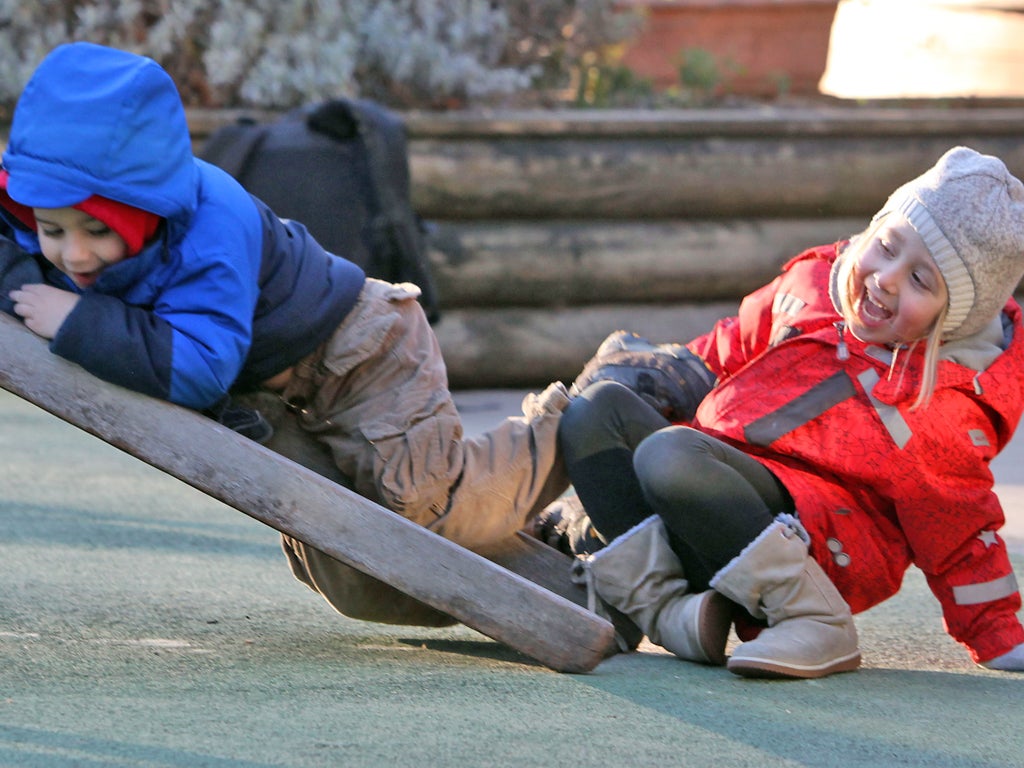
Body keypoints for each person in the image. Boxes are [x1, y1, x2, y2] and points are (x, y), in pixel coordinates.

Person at [0, 42, 569, 626]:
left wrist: (78, 320)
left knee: (427, 513)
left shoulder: (209, 230)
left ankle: (578, 423)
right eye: (50, 229)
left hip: (363, 353)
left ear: (145, 208)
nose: (73, 254)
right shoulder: (73, 222)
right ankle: (552, 544)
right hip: (294, 390)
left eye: (96, 230)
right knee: (359, 580)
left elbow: (199, 369)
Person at [559, 146, 1024, 678]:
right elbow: (731, 346)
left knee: (671, 455)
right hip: (711, 484)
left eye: (922, 280)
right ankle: (666, 611)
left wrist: (999, 635)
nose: (888, 277)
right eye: (888, 247)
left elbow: (958, 523)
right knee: (595, 412)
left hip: (817, 544)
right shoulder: (811, 288)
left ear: (956, 317)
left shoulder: (938, 400)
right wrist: (670, 372)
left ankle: (812, 620)